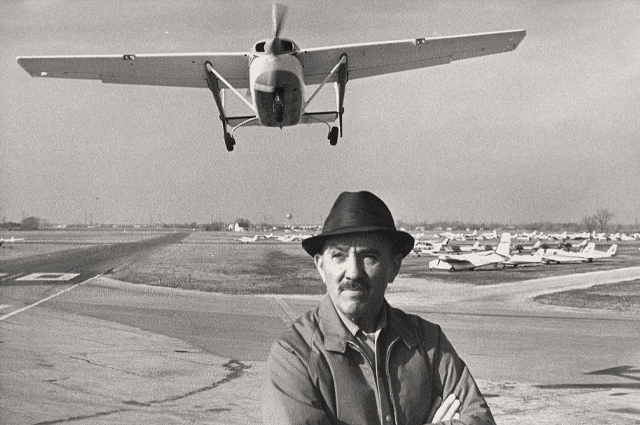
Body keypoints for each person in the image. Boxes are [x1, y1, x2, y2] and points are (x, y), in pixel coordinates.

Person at [262, 191, 495, 425]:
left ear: (393, 267)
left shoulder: (429, 342)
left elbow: (479, 418)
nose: (353, 272)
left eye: (369, 257)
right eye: (339, 256)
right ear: (321, 267)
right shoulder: (295, 355)